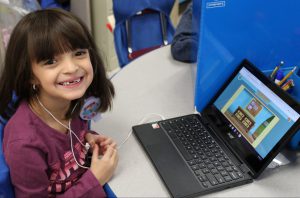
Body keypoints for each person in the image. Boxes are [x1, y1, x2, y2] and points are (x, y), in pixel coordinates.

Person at [0, 9, 118, 197]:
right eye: (51, 61)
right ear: (30, 75)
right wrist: (95, 179)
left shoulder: (71, 99)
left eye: (79, 53)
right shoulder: (24, 143)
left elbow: (69, 139)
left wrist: (88, 139)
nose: (71, 68)